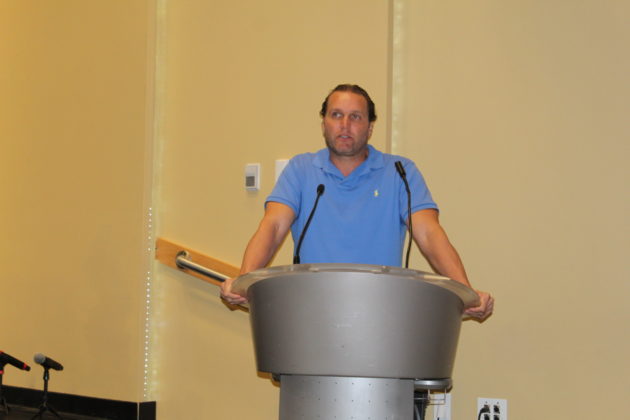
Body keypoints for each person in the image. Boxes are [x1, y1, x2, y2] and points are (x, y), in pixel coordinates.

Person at [221, 84, 494, 321]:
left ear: (370, 127)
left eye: (355, 117)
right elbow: (273, 227)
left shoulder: (400, 171)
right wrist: (244, 281)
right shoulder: (301, 169)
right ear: (324, 123)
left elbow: (428, 233)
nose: (344, 125)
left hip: (383, 315)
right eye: (336, 115)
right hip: (310, 315)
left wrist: (466, 292)